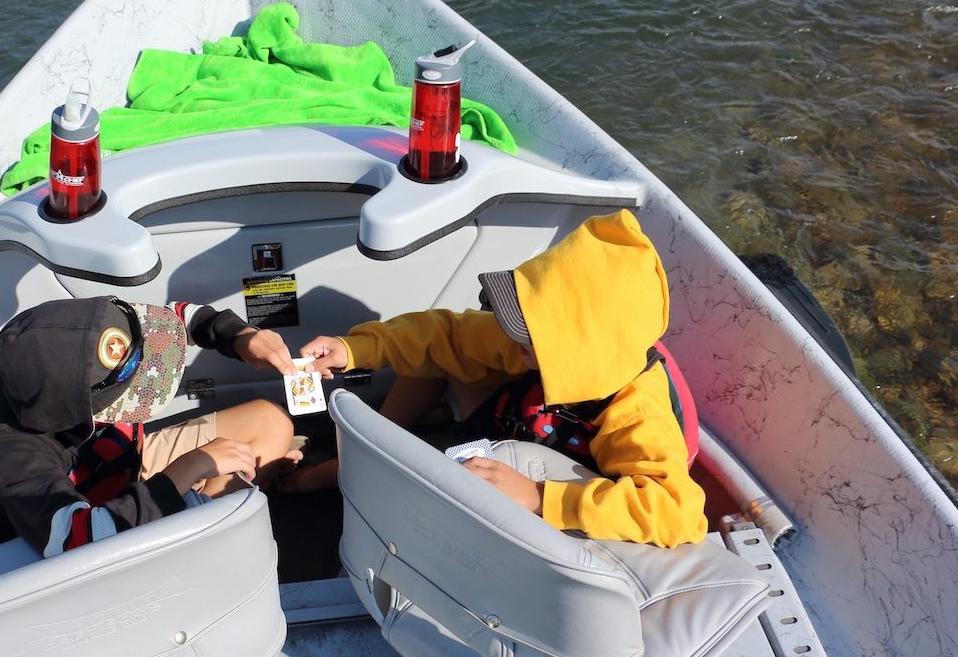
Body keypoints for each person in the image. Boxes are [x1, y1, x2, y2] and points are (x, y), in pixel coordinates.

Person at [291, 209, 707, 548]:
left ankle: (345, 465)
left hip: (543, 477)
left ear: (579, 348)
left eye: (529, 332)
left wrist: (540, 496)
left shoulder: (636, 412)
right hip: (512, 426)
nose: (512, 334)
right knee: (445, 352)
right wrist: (358, 349)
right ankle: (368, 445)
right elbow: (446, 334)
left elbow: (679, 512)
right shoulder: (534, 346)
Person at [0, 296, 302, 557]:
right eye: (131, 388)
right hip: (95, 530)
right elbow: (77, 541)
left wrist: (239, 337)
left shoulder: (79, 332)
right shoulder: (6, 451)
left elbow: (180, 319)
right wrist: (191, 468)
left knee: (271, 422)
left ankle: (218, 498)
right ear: (76, 408)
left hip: (124, 466)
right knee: (230, 501)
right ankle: (206, 525)